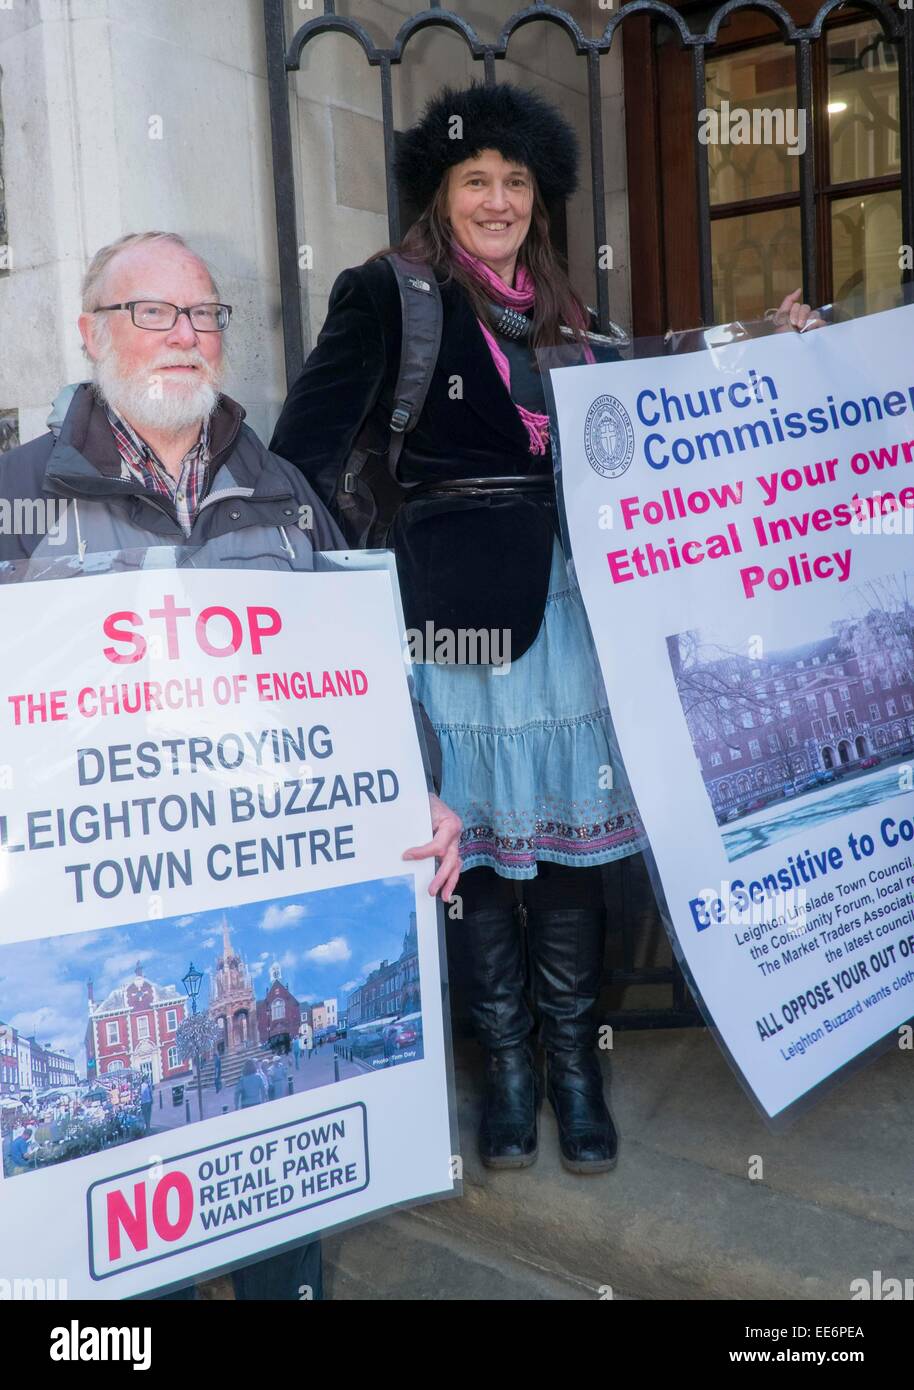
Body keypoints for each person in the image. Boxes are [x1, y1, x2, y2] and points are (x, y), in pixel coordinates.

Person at [270, 83, 823, 1175]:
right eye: (475, 179)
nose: (496, 198)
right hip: (450, 615)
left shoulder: (562, 318)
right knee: (467, 849)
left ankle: (574, 1066)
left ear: (539, 199)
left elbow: (661, 387)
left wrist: (767, 343)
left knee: (571, 859)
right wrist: (357, 603)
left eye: (515, 182)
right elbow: (298, 458)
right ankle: (508, 1071)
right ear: (441, 191)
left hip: (570, 613)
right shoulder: (389, 293)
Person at [0, 229, 463, 1301]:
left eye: (203, 315)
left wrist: (414, 789)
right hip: (97, 921)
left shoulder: (285, 494)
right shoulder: (19, 503)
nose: (183, 336)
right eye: (148, 313)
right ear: (90, 333)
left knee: (283, 1255)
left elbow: (369, 693)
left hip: (267, 932)